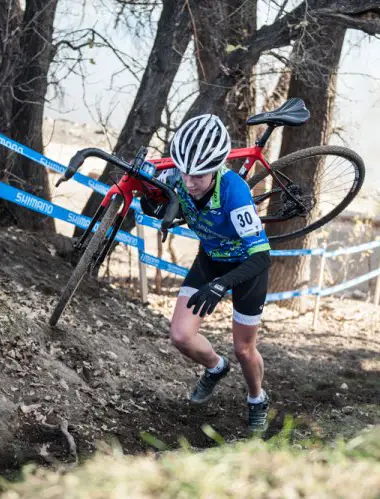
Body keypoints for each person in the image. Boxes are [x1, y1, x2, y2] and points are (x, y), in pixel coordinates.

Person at [140, 114, 272, 433]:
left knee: (243, 349)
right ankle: (215, 367)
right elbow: (161, 200)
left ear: (215, 168)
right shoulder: (176, 176)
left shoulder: (234, 192)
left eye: (199, 175)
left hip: (246, 269)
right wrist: (154, 205)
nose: (189, 182)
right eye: (185, 172)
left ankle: (257, 398)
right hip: (210, 260)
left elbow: (262, 257)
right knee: (181, 336)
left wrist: (221, 286)